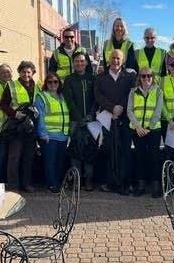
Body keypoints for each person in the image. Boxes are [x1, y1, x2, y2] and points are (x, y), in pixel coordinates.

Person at [94, 49, 137, 194]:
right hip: (107, 118)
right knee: (109, 150)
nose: (115, 61)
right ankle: (111, 182)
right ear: (109, 58)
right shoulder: (101, 77)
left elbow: (132, 93)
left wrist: (120, 108)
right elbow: (98, 95)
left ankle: (126, 183)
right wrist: (112, 108)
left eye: (118, 58)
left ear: (123, 60)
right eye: (113, 58)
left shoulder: (130, 76)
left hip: (125, 119)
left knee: (125, 151)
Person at [0, 60, 39, 192]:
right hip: (16, 127)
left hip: (30, 127)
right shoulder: (11, 85)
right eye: (23, 72)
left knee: (28, 157)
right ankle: (13, 186)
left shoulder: (36, 86)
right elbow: (3, 104)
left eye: (28, 72)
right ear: (19, 72)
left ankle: (26, 184)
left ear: (32, 73)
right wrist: (14, 114)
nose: (26, 74)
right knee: (14, 157)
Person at [127, 66, 164, 197]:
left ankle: (156, 185)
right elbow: (129, 110)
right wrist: (138, 127)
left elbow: (158, 111)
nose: (146, 78)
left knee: (154, 157)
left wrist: (149, 128)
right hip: (137, 130)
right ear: (139, 78)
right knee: (140, 157)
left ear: (153, 77)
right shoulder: (133, 91)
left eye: (149, 75)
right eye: (143, 76)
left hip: (153, 130)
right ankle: (141, 185)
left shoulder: (158, 91)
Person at [63, 51, 97, 191]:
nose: (79, 63)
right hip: (75, 121)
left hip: (91, 121)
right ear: (73, 63)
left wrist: (90, 115)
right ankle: (76, 180)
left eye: (82, 61)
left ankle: (88, 180)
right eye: (76, 61)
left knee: (90, 150)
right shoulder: (69, 79)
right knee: (75, 151)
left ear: (87, 63)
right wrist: (79, 118)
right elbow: (69, 100)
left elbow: (97, 98)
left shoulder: (93, 78)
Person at [35, 73, 69, 193]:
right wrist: (43, 133)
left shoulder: (62, 96)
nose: (53, 84)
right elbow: (40, 116)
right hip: (49, 136)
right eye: (50, 82)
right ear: (46, 83)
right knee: (50, 161)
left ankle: (59, 183)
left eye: (56, 82)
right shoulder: (42, 97)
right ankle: (52, 184)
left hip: (62, 135)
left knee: (60, 161)